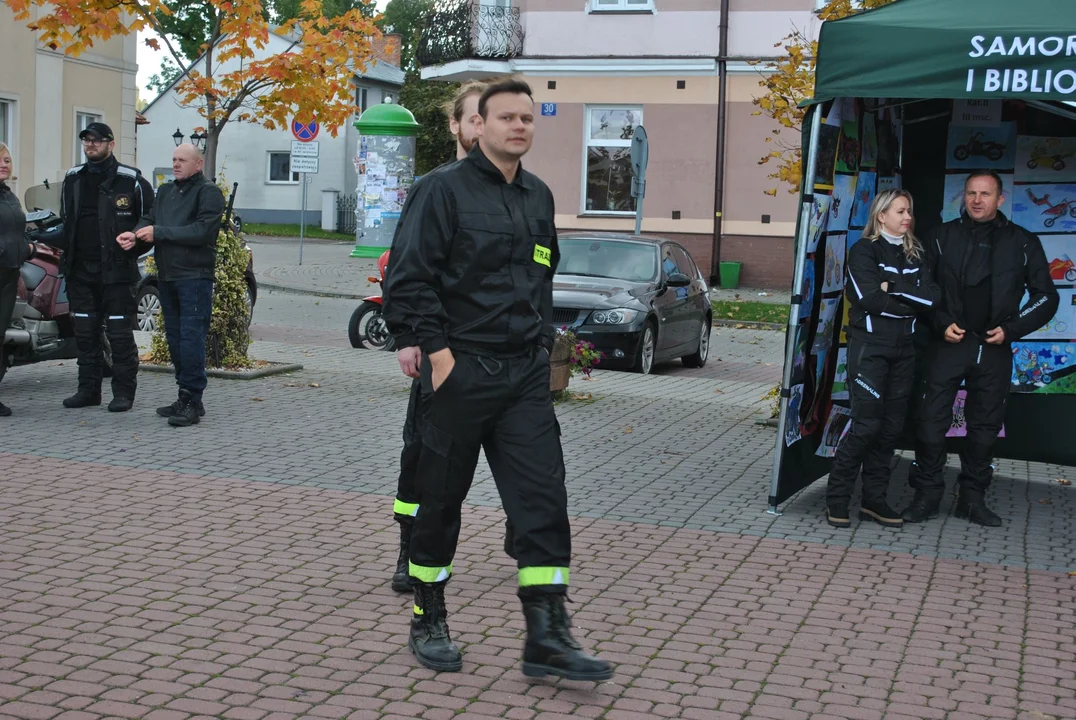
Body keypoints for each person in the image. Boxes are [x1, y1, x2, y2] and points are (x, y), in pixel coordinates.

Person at [383, 78, 613, 681]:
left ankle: (546, 631)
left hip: (524, 379)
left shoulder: (537, 196)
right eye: (506, 117)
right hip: (461, 371)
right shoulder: (441, 191)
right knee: (438, 503)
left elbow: (543, 275)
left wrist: (541, 348)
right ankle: (427, 613)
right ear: (476, 126)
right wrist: (437, 357)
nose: (519, 126)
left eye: (527, 119)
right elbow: (409, 279)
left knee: (542, 504)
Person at [385, 80, 520, 594]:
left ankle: (522, 524)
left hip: (503, 359)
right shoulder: (435, 188)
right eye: (473, 119)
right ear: (457, 126)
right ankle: (409, 548)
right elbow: (405, 269)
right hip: (442, 352)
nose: (483, 128)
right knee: (421, 457)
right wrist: (409, 338)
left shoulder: (519, 193)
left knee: (518, 450)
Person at [904, 170, 1058, 527]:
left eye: (985, 194)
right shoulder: (940, 237)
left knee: (985, 428)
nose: (977, 200)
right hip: (949, 343)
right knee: (929, 424)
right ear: (964, 197)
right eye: (971, 193)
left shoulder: (1023, 241)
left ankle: (971, 500)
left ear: (1000, 199)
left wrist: (1012, 329)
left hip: (993, 347)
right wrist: (941, 322)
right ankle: (927, 495)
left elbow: (1046, 296)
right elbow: (919, 288)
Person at [825, 190, 939, 529]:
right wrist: (906, 297)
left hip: (905, 351)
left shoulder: (915, 253)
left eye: (909, 211)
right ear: (881, 216)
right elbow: (868, 297)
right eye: (901, 211)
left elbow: (932, 298)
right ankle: (837, 499)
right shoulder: (864, 250)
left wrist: (896, 287)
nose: (908, 217)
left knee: (890, 431)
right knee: (866, 426)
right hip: (869, 349)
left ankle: (874, 500)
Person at [119, 144, 224, 427]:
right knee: (176, 338)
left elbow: (202, 231)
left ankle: (192, 397)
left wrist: (159, 233)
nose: (176, 164)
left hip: (194, 276)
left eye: (182, 160)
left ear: (198, 164)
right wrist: (134, 235)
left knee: (191, 338)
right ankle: (186, 395)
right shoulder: (165, 191)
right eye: (174, 159)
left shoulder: (209, 193)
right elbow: (149, 220)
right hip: (167, 275)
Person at [59, 122, 155, 412]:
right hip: (81, 272)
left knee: (119, 334)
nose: (91, 145)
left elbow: (150, 220)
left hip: (117, 273)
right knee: (85, 335)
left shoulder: (132, 180)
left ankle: (123, 393)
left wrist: (136, 240)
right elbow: (67, 221)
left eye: (97, 141)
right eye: (87, 140)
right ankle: (88, 390)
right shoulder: (73, 178)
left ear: (111, 145)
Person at [0, 142, 39, 417]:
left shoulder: (9, 196)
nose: (4, 164)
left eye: (7, 160)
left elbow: (17, 230)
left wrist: (28, 247)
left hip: (10, 272)